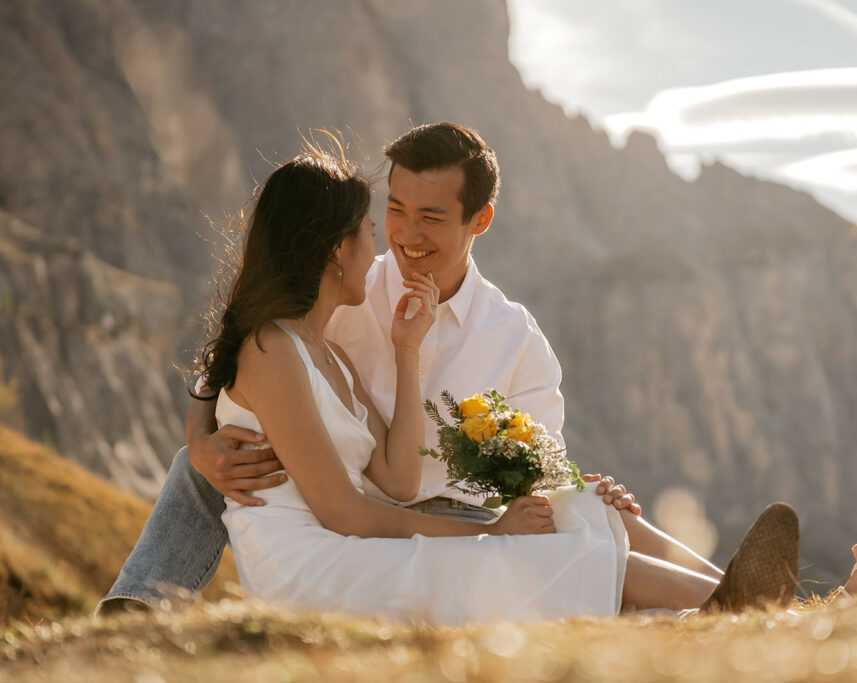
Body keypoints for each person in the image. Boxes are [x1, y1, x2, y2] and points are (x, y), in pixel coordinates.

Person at [177, 141, 809, 623]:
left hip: (384, 523)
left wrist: (407, 350)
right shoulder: (284, 341)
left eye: (428, 215)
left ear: (478, 221)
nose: (391, 237)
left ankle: (757, 609)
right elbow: (342, 506)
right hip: (320, 557)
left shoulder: (487, 340)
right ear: (332, 250)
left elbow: (401, 477)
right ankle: (748, 611)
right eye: (381, 218)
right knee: (521, 556)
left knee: (580, 513)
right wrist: (200, 434)